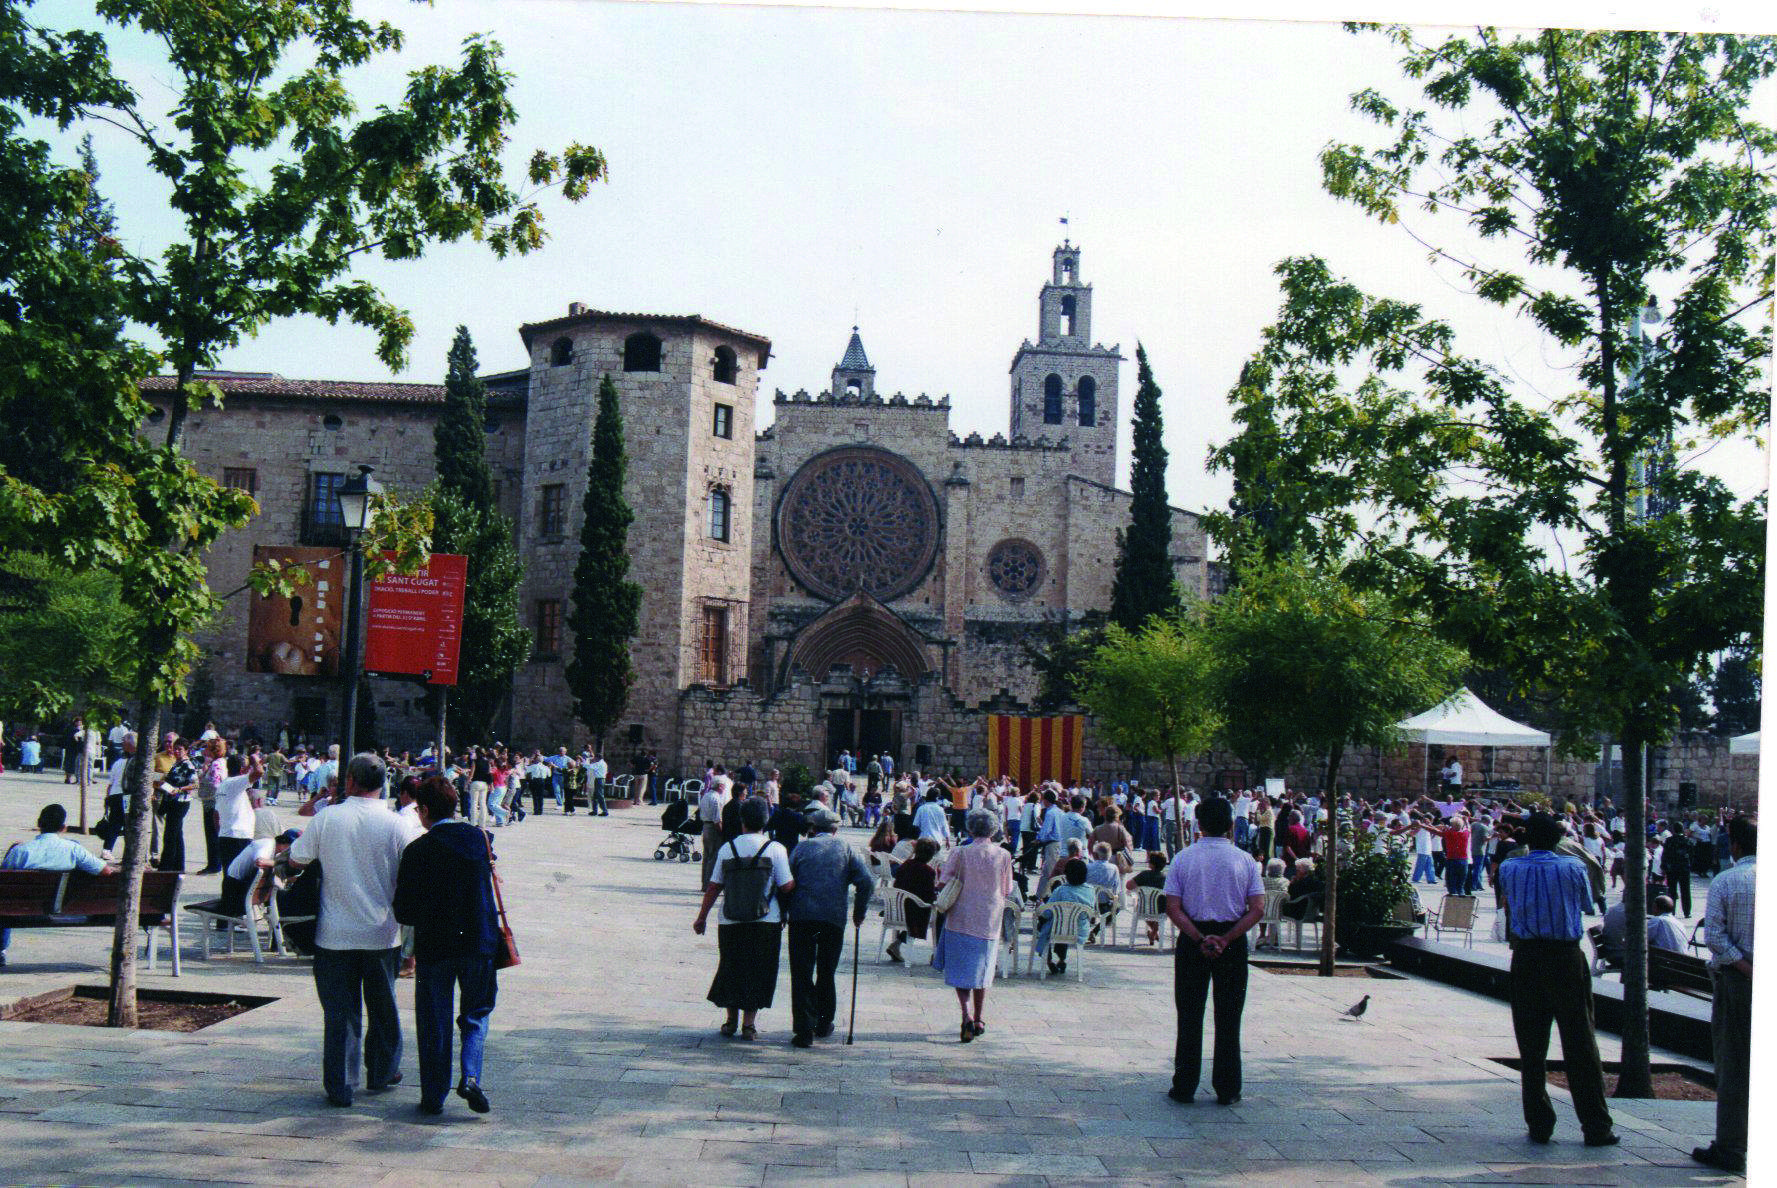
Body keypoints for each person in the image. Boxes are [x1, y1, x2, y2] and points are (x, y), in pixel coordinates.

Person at [287, 753, 411, 1108]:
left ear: (351, 781)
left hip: (335, 931)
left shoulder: (329, 818)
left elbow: (297, 859)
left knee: (340, 1011)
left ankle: (341, 1082)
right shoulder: (396, 824)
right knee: (383, 1005)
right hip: (382, 931)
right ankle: (383, 1069)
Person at [1496, 812, 1617, 1147]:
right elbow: (1585, 904)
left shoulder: (1509, 867)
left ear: (1527, 839)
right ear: (1557, 839)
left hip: (1526, 956)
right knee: (1580, 1041)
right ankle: (1595, 1124)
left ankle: (1539, 1122)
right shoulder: (1573, 867)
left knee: (1531, 1045)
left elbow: (1509, 904)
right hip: (1564, 955)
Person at [393, 776, 500, 1116]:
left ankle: (433, 1095)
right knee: (476, 1014)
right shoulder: (479, 839)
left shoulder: (417, 850)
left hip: (435, 947)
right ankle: (470, 1076)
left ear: (424, 810)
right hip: (479, 942)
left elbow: (404, 910)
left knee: (434, 1020)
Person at [1162, 796, 1264, 1106]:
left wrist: (1197, 937)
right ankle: (1228, 1087)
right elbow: (1257, 908)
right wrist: (1227, 938)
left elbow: (1172, 907)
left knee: (1190, 1015)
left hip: (1194, 939)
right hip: (1231, 941)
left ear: (1198, 824)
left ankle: (1185, 1084)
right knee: (1229, 1017)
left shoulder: (1183, 858)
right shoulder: (1245, 860)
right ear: (1232, 825)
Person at [693, 796, 795, 1040]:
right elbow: (787, 885)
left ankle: (730, 1021)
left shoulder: (728, 848)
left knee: (731, 967)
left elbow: (714, 886)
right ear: (766, 821)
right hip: (766, 921)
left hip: (731, 919)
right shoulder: (776, 849)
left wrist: (702, 917)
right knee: (759, 970)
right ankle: (749, 1025)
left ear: (742, 821)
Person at [1693, 815, 1754, 1175]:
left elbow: (1714, 937)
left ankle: (1732, 1146)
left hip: (1737, 982)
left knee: (1734, 1064)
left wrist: (1747, 968)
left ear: (1734, 846)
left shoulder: (1728, 880)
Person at [783, 806, 873, 1048]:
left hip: (802, 918)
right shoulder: (846, 848)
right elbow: (866, 882)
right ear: (835, 829)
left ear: (814, 828)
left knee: (801, 972)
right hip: (832, 919)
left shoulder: (801, 848)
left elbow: (786, 882)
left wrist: (783, 912)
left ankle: (803, 1030)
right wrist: (859, 912)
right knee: (826, 971)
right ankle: (823, 1022)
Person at [932, 808, 1015, 1041]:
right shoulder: (1003, 855)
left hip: (960, 917)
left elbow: (943, 882)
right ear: (994, 830)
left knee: (962, 971)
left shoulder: (960, 852)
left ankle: (966, 1015)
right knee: (982, 970)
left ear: (970, 828)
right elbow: (1007, 889)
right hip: (988, 920)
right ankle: (979, 1017)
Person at [1, 804, 118, 965]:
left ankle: (1, 949)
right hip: (63, 909)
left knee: (4, 903)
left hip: (21, 911)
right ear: (63, 827)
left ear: (39, 823)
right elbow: (105, 871)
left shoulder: (22, 851)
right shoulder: (73, 849)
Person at [1033, 858, 1098, 976]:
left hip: (1057, 930)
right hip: (1079, 930)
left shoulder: (1060, 890)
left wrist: (1041, 905)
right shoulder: (1090, 891)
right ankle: (1062, 959)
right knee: (1065, 924)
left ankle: (1048, 960)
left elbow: (1047, 913)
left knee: (1047, 924)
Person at [887, 837, 940, 962]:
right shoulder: (928, 871)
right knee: (940, 916)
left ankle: (897, 943)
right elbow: (928, 897)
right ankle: (937, 954)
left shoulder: (905, 865)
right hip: (912, 912)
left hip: (896, 909)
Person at [698, 776, 730, 887]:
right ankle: (708, 883)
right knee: (713, 857)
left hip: (705, 826)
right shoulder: (716, 799)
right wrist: (722, 833)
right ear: (720, 786)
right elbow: (717, 820)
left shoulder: (706, 796)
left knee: (706, 856)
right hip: (712, 829)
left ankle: (704, 882)